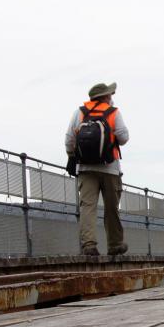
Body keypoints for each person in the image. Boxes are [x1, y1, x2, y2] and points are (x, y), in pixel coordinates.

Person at [65, 82, 129, 256]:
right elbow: (123, 138)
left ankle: (89, 245)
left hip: (85, 168)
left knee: (88, 207)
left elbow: (69, 139)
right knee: (111, 207)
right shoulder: (113, 112)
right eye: (110, 95)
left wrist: (71, 156)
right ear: (106, 97)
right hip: (110, 168)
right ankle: (115, 245)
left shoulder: (79, 113)